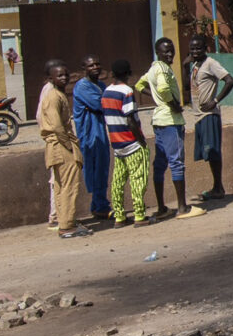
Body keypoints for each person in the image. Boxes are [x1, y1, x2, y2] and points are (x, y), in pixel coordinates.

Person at [138, 38, 191, 219]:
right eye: (165, 51)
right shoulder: (161, 69)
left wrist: (157, 98)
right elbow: (162, 88)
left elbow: (139, 85)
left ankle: (162, 207)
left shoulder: (153, 69)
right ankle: (182, 207)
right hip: (170, 120)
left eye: (171, 50)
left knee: (159, 164)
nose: (170, 54)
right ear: (157, 52)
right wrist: (172, 103)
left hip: (159, 121)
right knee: (176, 163)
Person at [39, 59, 85, 238]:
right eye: (59, 75)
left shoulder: (58, 95)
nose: (64, 78)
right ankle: (67, 225)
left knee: (61, 186)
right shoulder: (52, 96)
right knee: (68, 186)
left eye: (66, 74)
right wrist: (69, 146)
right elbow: (58, 126)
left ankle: (64, 222)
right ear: (50, 78)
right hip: (60, 145)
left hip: (59, 144)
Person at [102, 58, 152, 225]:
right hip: (131, 143)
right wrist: (141, 141)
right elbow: (130, 119)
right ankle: (139, 215)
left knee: (118, 181)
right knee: (138, 179)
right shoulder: (127, 92)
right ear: (129, 74)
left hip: (117, 144)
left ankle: (119, 216)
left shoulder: (106, 92)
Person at [189, 40, 233, 201]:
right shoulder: (195, 66)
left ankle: (218, 187)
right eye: (192, 48)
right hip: (198, 115)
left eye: (198, 48)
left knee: (213, 151)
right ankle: (217, 187)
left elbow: (230, 80)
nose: (195, 51)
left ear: (205, 48)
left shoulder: (211, 64)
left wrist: (215, 100)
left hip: (209, 114)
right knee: (207, 152)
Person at [71, 56, 110, 224]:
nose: (95, 67)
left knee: (102, 168)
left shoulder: (101, 85)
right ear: (84, 69)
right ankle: (99, 205)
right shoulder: (82, 87)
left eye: (97, 64)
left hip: (100, 131)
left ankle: (99, 206)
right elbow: (102, 105)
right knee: (93, 169)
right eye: (91, 65)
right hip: (88, 134)